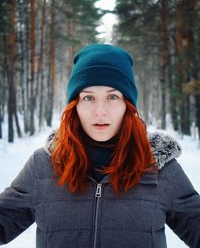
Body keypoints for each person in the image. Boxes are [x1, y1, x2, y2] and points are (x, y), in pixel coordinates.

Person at [0, 44, 200, 248]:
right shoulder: (42, 165)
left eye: (112, 97)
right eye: (88, 97)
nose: (100, 111)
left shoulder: (159, 168)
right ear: (74, 105)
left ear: (127, 105)